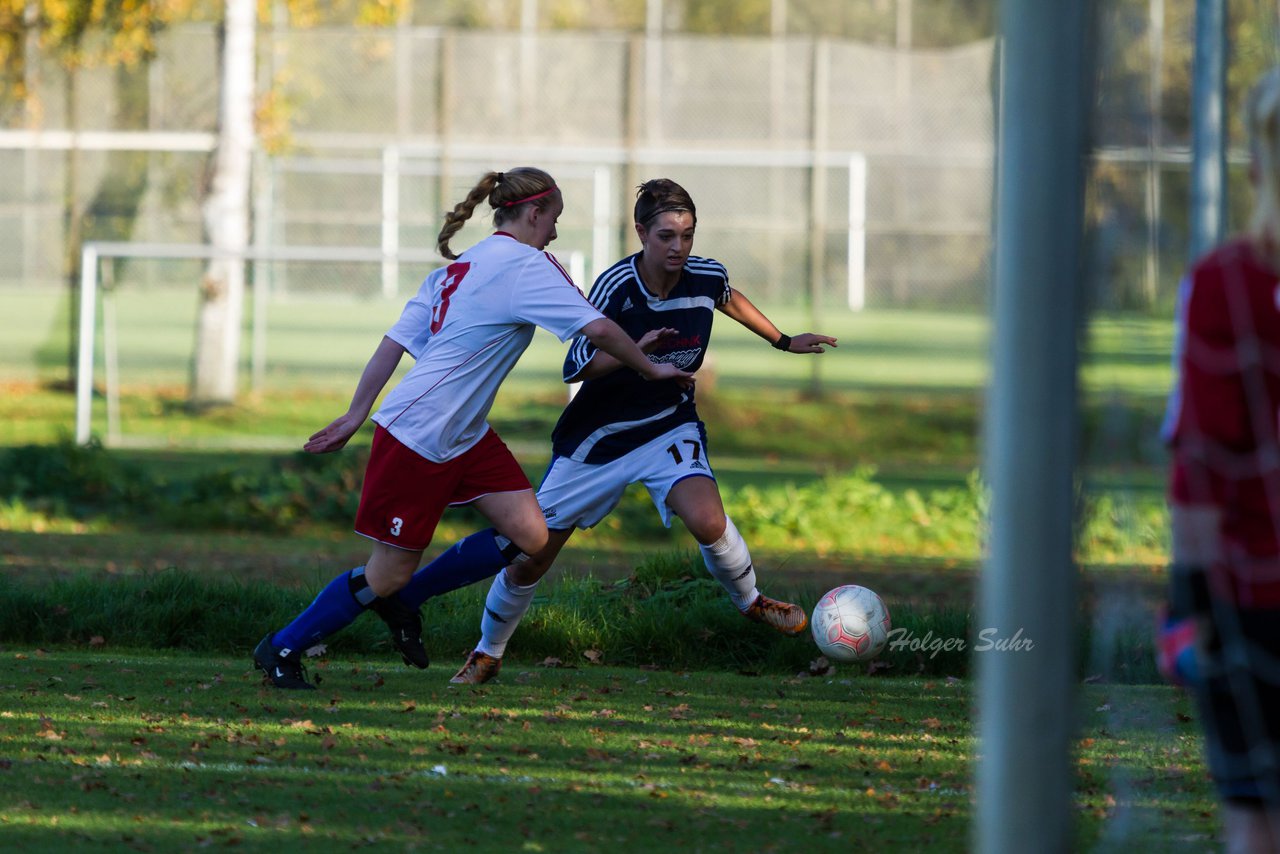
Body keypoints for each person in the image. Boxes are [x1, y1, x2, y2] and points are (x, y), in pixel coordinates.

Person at [253, 167, 692, 690]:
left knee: (531, 534)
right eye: (553, 220)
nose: (554, 232)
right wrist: (651, 368)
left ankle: (407, 601)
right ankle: (281, 646)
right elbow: (596, 327)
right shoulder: (525, 266)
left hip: (465, 432)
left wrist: (356, 411)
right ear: (533, 214)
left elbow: (394, 343)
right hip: (419, 431)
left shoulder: (462, 267)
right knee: (385, 574)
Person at [387, 177, 837, 684]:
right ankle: (488, 651)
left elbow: (728, 296)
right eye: (666, 235)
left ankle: (752, 602)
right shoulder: (616, 285)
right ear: (641, 232)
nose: (678, 247)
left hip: (668, 425)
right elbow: (577, 364)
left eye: (687, 235)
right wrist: (636, 354)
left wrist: (782, 340)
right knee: (530, 557)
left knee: (709, 520)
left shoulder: (706, 275)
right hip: (598, 438)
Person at [1159, 68, 1280, 852]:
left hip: (1251, 601)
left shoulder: (1225, 285)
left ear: (1256, 166)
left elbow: (1201, 468)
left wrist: (1186, 603)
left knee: (1254, 821)